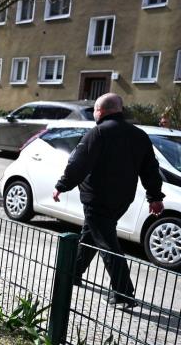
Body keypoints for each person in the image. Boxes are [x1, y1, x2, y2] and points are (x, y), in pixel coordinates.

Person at [52, 93, 164, 309]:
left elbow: (78, 163)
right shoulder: (139, 135)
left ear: (100, 111)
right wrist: (155, 197)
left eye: (94, 110)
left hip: (97, 199)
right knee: (91, 235)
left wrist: (61, 186)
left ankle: (123, 294)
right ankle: (72, 273)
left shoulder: (99, 132)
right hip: (122, 200)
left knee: (107, 243)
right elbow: (151, 169)